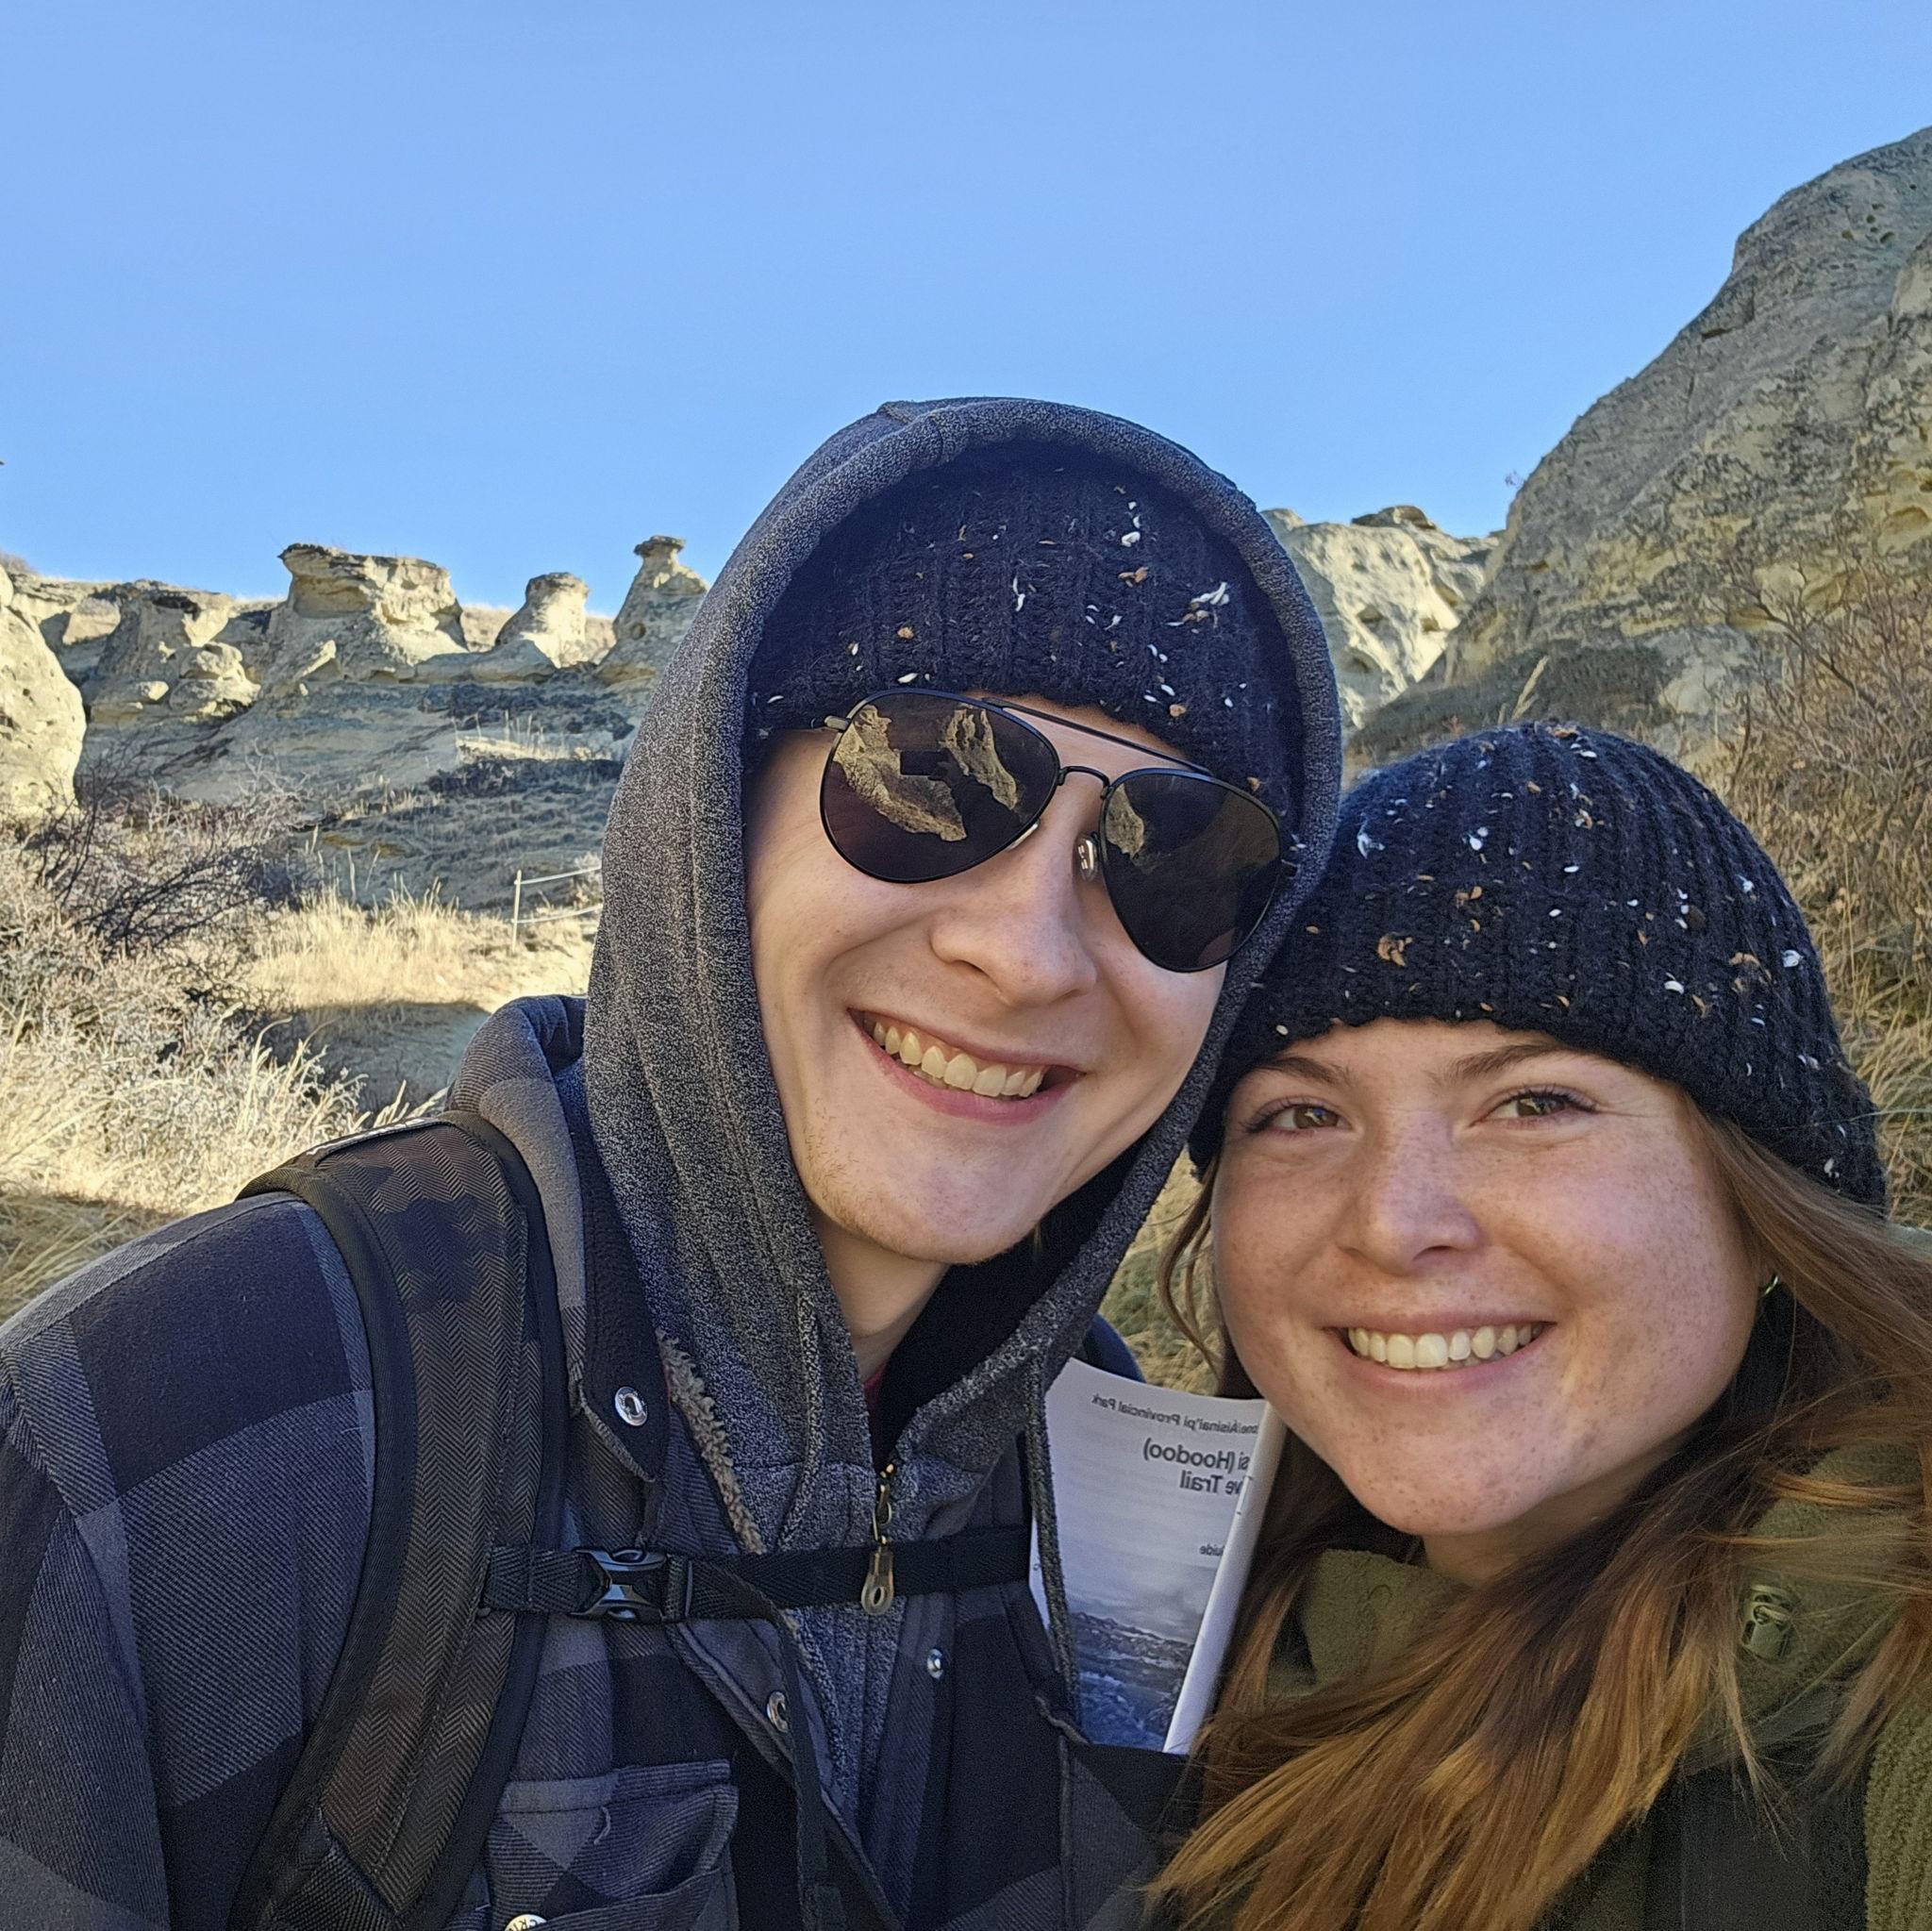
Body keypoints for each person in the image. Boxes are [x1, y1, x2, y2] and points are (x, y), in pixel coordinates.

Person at [0, 398, 1342, 1930]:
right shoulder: (169, 1431)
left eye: (1181, 854)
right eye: (926, 777)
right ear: (709, 817)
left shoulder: (1117, 1494)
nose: (1023, 950)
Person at [1150, 720, 1932, 1931]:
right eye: (1300, 1116)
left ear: (1762, 1198)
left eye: (1532, 1101)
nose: (1393, 1225)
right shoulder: (1140, 1626)